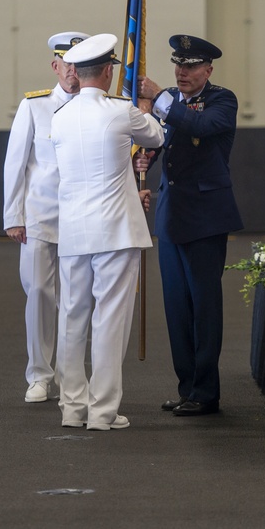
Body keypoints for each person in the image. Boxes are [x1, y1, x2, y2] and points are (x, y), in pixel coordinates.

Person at [51, 33, 165, 431]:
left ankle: (72, 407)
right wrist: (146, 108)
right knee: (110, 321)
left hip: (74, 231)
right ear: (105, 71)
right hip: (116, 228)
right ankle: (101, 412)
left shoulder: (59, 116)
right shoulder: (120, 111)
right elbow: (156, 136)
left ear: (77, 75)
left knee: (72, 318)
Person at [136, 35, 244, 417]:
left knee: (204, 306)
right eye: (178, 65)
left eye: (191, 66)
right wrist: (145, 157)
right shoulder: (170, 104)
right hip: (171, 215)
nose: (182, 72)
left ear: (208, 70)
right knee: (176, 308)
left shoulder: (221, 100)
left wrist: (160, 99)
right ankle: (187, 387)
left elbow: (201, 124)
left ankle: (206, 391)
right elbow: (163, 140)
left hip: (205, 217)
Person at [3, 31, 88, 403]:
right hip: (39, 215)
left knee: (76, 299)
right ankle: (39, 374)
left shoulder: (96, 107)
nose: (72, 72)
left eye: (79, 65)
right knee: (38, 293)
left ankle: (72, 376)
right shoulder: (34, 106)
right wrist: (13, 215)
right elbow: (15, 164)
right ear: (55, 67)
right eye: (66, 64)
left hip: (82, 217)